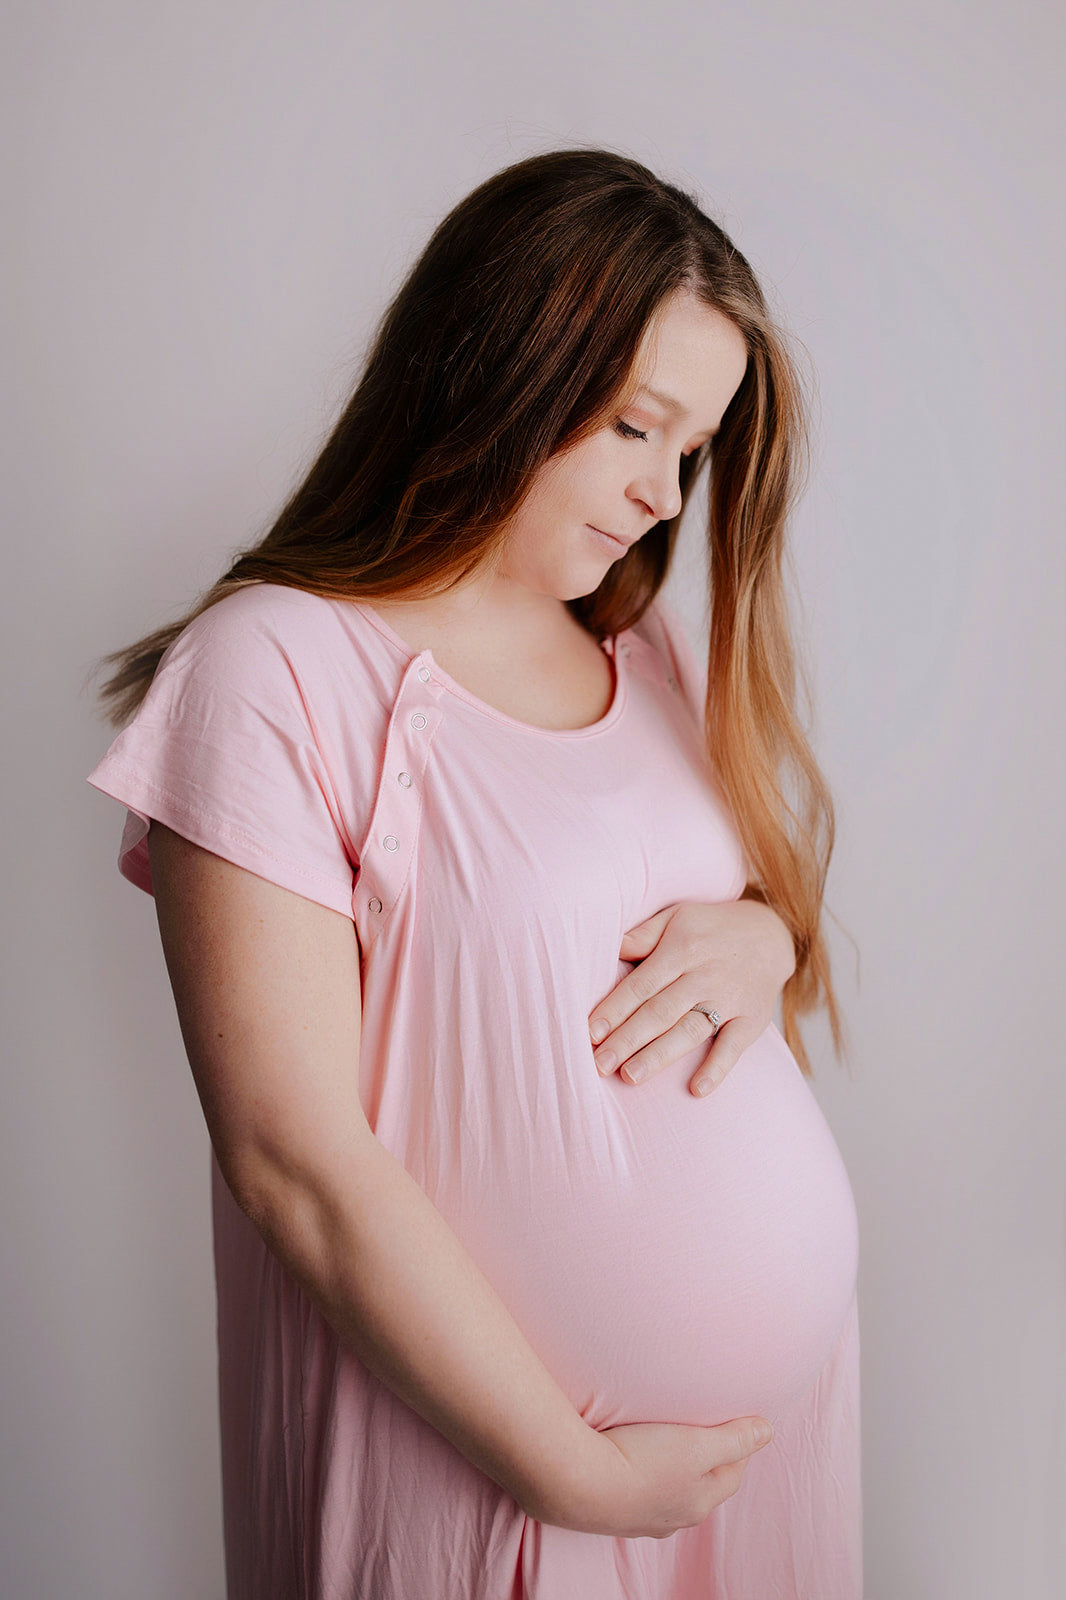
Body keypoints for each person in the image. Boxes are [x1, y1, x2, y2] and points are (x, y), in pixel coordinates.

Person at [86, 148, 861, 1599]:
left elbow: (722, 938)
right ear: (499, 363)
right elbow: (290, 1163)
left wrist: (770, 944)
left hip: (751, 1471)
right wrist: (571, 1476)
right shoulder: (276, 670)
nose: (658, 491)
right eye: (637, 426)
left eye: (688, 451)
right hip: (490, 1476)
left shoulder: (651, 664)